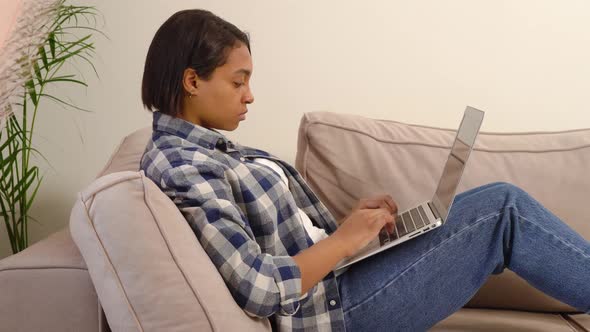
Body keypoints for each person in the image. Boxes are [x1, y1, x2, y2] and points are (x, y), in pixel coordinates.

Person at [139, 9, 590, 331]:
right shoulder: (183, 166)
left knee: (486, 206)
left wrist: (356, 232)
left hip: (340, 286)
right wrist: (344, 241)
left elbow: (284, 241)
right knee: (502, 211)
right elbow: (259, 287)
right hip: (336, 313)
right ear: (193, 81)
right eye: (239, 82)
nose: (250, 95)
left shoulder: (211, 152)